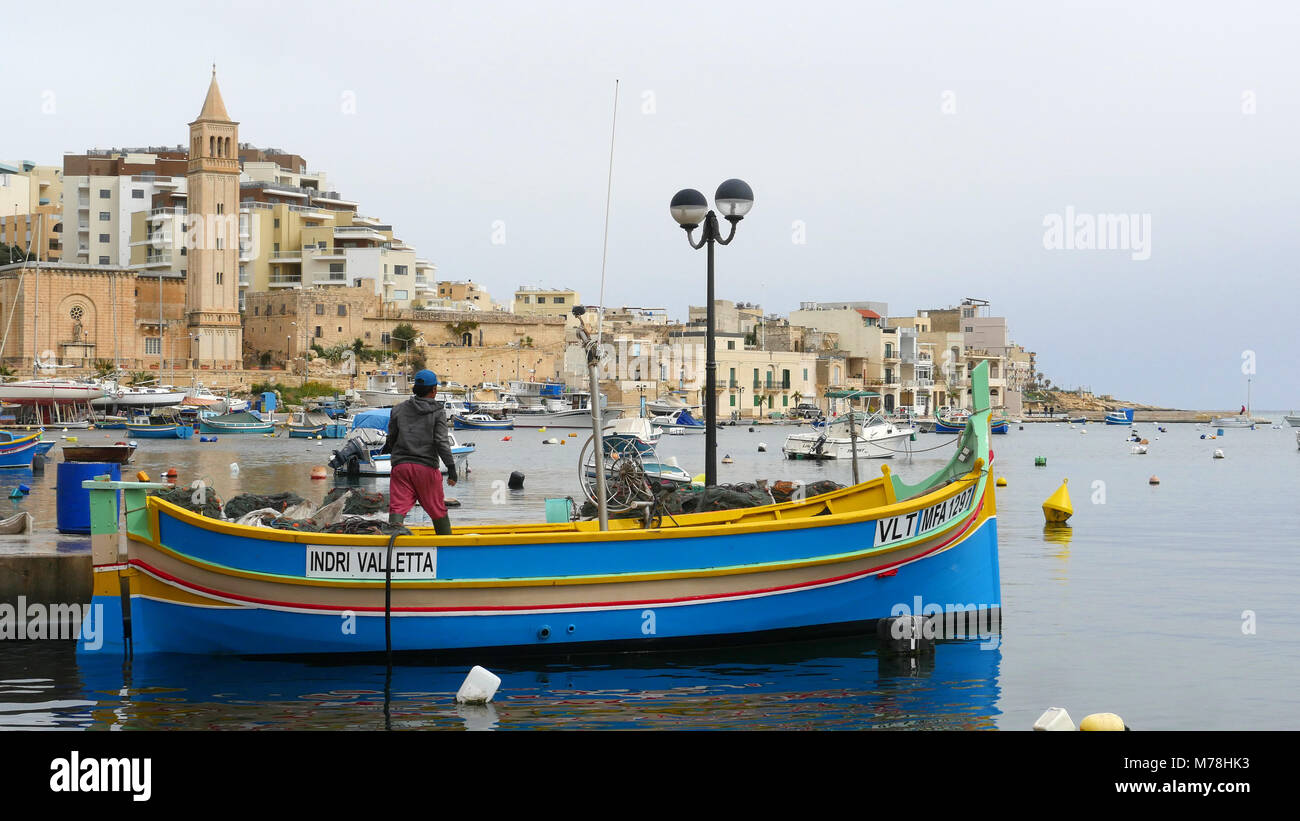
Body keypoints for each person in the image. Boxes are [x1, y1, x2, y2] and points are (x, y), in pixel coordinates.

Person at [382, 369, 458, 534]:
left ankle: (392, 541)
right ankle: (447, 545)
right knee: (437, 508)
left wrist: (390, 448)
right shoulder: (437, 412)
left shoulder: (398, 409)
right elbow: (441, 441)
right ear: (434, 390)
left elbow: (392, 437)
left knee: (397, 507)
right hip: (426, 469)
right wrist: (451, 468)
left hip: (400, 467)